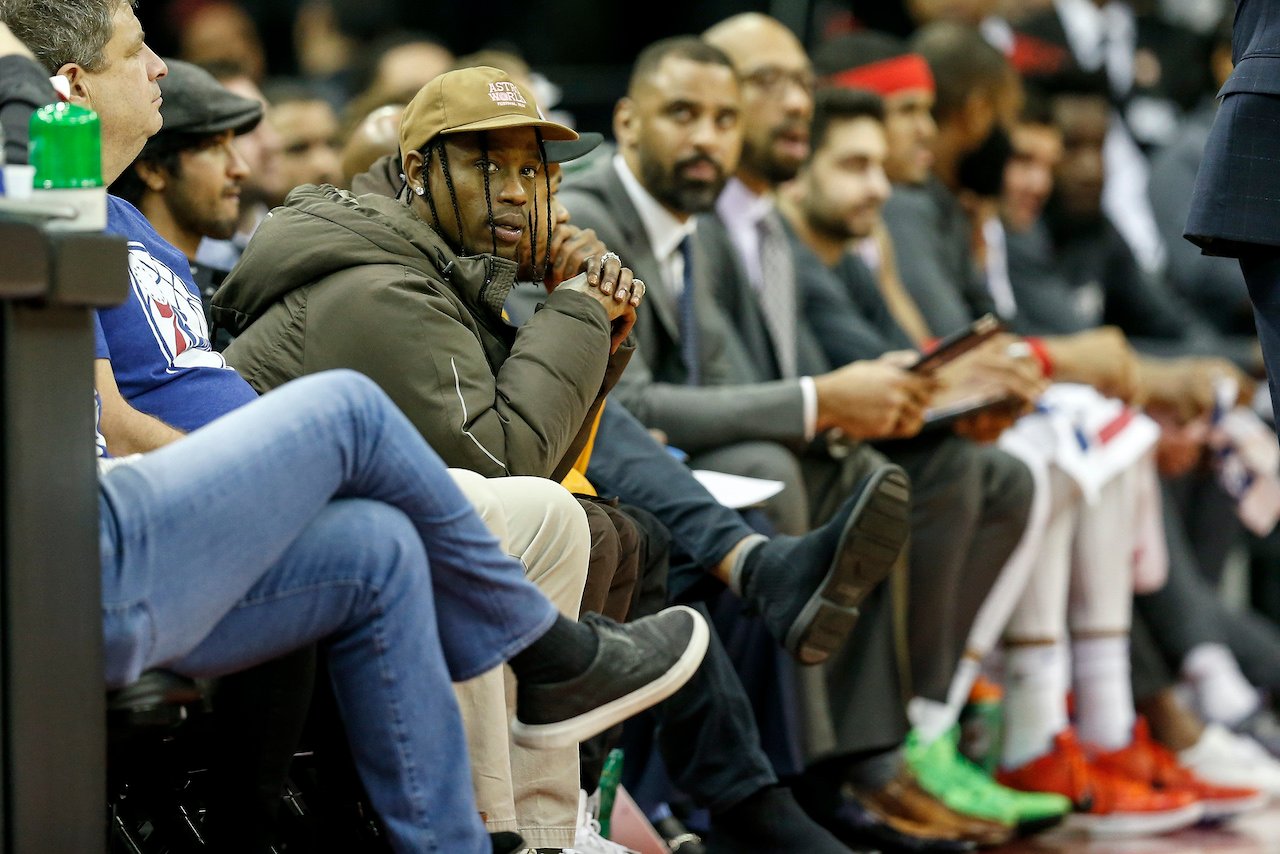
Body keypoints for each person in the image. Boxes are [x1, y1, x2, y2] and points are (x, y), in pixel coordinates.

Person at [214, 66, 902, 854]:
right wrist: (575, 305)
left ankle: (560, 828)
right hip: (275, 555)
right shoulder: (377, 285)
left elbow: (538, 461)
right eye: (488, 165)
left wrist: (592, 330)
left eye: (533, 171)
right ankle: (507, 830)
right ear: (414, 172)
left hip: (387, 532)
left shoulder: (447, 269)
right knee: (561, 525)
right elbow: (503, 463)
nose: (517, 191)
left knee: (616, 528)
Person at [109, 58, 257, 319]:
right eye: (214, 147)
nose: (240, 168)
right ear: (154, 170)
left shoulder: (226, 290)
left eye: (233, 145)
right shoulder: (126, 297)